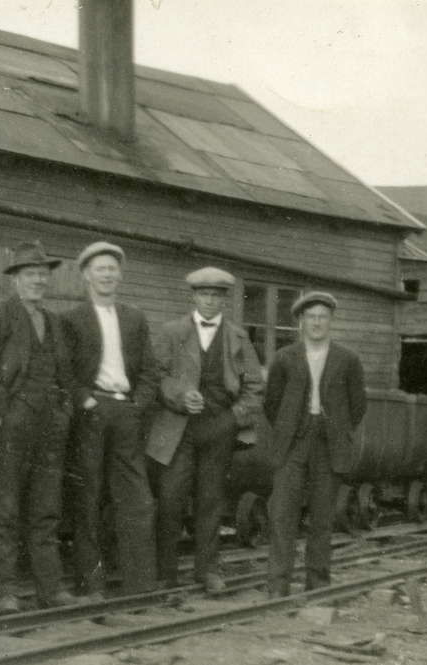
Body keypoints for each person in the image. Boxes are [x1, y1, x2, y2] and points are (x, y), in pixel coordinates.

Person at [0, 240, 83, 615]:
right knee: (5, 509)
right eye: (31, 274)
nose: (38, 281)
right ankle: (6, 593)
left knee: (46, 510)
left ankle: (50, 589)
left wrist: (64, 411)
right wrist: (5, 413)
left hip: (51, 426)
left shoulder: (55, 323)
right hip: (13, 425)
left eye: (43, 275)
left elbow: (67, 374)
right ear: (15, 279)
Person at [147, 267, 264, 592]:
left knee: (211, 501)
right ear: (193, 297)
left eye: (216, 296)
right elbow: (156, 377)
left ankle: (208, 571)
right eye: (204, 295)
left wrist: (235, 416)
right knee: (170, 499)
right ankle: (165, 573)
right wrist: (180, 396)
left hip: (220, 429)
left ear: (224, 300)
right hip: (178, 429)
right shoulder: (172, 333)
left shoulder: (238, 339)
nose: (209, 301)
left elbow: (254, 385)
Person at [61, 241, 160, 598]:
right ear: (86, 275)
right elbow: (64, 371)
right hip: (91, 412)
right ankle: (92, 583)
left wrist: (137, 405)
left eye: (112, 269)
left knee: (138, 500)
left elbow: (150, 371)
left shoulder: (135, 318)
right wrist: (85, 400)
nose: (107, 275)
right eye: (100, 269)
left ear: (120, 276)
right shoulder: (71, 319)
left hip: (126, 412)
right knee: (87, 496)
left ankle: (140, 584)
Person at [263, 291, 367, 598]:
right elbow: (272, 404)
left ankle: (318, 585)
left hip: (329, 443)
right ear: (301, 322)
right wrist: (289, 428)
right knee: (283, 514)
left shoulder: (348, 359)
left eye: (323, 317)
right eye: (311, 317)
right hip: (293, 442)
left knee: (322, 517)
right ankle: (277, 586)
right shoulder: (285, 357)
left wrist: (337, 430)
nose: (317, 322)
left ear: (331, 321)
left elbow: (357, 405)